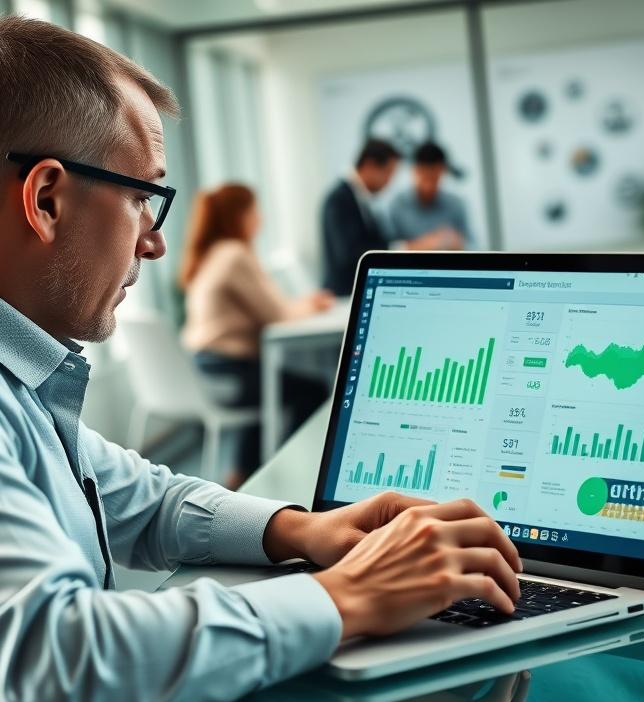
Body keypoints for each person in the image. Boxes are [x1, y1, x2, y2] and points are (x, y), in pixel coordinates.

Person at [0, 16, 521, 702]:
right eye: (144, 197)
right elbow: (65, 665)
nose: (154, 239)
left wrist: (303, 531)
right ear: (46, 198)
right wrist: (347, 596)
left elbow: (137, 495)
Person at [179, 183, 333, 488]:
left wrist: (301, 305)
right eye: (254, 210)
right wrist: (312, 305)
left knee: (268, 383)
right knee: (312, 389)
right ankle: (278, 466)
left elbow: (272, 309)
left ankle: (240, 475)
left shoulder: (213, 253)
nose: (260, 219)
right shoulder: (234, 253)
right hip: (228, 372)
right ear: (239, 215)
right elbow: (278, 315)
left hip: (206, 367)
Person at [320, 138, 451, 296]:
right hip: (343, 296)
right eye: (389, 173)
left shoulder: (360, 198)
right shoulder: (339, 199)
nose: (389, 181)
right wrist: (406, 248)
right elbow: (349, 254)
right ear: (370, 165)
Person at [389, 141, 472, 249]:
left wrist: (458, 243)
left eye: (434, 179)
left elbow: (472, 245)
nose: (428, 186)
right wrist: (428, 244)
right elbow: (387, 248)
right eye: (425, 178)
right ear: (415, 171)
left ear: (443, 172)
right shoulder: (397, 204)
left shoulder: (456, 204)